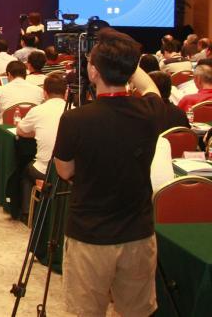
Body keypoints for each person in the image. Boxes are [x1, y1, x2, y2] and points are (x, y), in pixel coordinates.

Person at [53, 28, 165, 317]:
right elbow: (150, 87)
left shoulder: (74, 119)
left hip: (90, 235)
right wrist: (126, 61)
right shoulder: (150, 110)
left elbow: (64, 170)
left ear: (93, 72)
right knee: (137, 311)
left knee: (86, 311)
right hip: (138, 233)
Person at [15, 72, 67, 220]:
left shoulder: (38, 110)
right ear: (66, 92)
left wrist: (36, 133)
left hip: (45, 170)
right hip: (70, 171)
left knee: (26, 170)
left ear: (45, 92)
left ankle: (27, 213)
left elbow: (20, 130)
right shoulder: (75, 110)